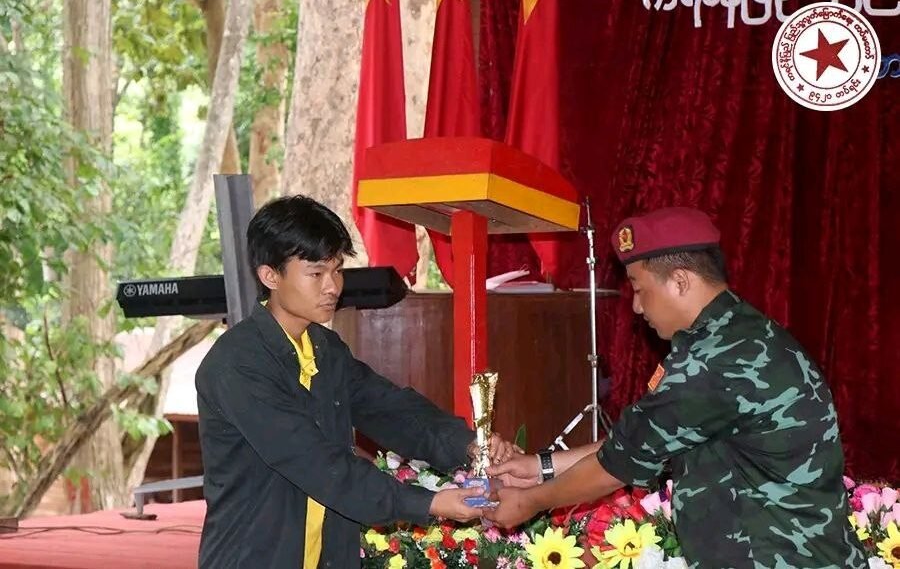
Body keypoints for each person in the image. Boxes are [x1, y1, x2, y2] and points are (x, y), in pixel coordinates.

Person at [484, 207, 867, 568]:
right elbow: (642, 440)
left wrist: (531, 501)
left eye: (639, 289)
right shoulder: (739, 334)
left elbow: (617, 465)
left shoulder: (714, 360)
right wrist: (540, 467)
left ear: (680, 281)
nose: (637, 307)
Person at [196, 195, 517, 569]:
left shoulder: (325, 348)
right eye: (316, 273)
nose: (333, 286)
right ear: (270, 276)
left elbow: (390, 409)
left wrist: (468, 445)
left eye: (337, 269)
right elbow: (315, 463)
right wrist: (427, 503)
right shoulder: (238, 364)